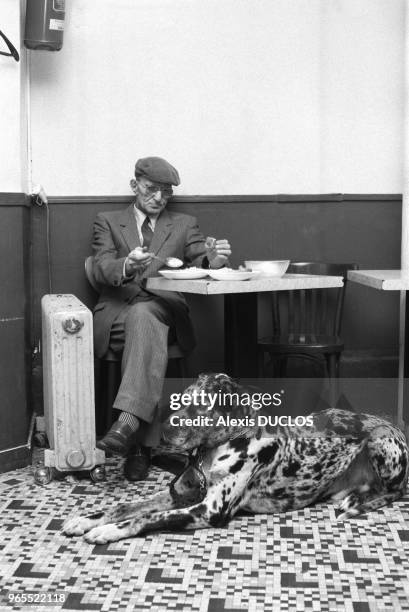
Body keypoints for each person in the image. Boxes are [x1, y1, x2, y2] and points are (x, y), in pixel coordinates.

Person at [93, 156, 231, 480]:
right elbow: (101, 266)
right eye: (151, 189)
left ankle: (127, 425)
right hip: (116, 317)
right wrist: (126, 265)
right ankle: (141, 445)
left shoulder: (184, 224)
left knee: (145, 317)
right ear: (134, 185)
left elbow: (203, 258)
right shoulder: (108, 221)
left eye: (165, 193)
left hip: (164, 312)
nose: (158, 198)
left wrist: (216, 258)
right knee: (142, 323)